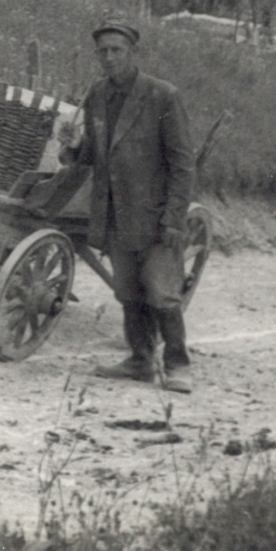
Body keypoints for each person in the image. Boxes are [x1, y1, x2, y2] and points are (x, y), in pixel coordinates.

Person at [57, 19, 197, 393]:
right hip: (114, 212)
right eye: (103, 51)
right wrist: (72, 146)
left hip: (154, 215)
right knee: (127, 292)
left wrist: (173, 218)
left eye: (116, 50)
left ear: (132, 53)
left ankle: (178, 364)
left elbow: (183, 164)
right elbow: (93, 155)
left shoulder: (162, 96)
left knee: (162, 292)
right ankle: (140, 360)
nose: (109, 57)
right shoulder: (98, 95)